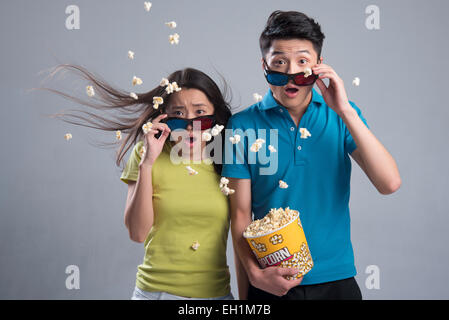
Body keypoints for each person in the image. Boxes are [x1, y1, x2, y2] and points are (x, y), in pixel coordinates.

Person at [222, 10, 401, 300]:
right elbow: (240, 215)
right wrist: (254, 278)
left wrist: (344, 110)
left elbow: (389, 183)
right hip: (272, 279)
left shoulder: (342, 116)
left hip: (337, 279)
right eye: (279, 62)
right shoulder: (242, 127)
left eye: (302, 62)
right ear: (264, 65)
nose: (291, 73)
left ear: (319, 65)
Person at [38, 65, 234, 300]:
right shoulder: (145, 153)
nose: (190, 127)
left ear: (215, 117)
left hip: (216, 296)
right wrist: (147, 164)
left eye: (200, 113)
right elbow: (137, 232)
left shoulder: (229, 159)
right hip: (156, 293)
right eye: (178, 115)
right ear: (164, 117)